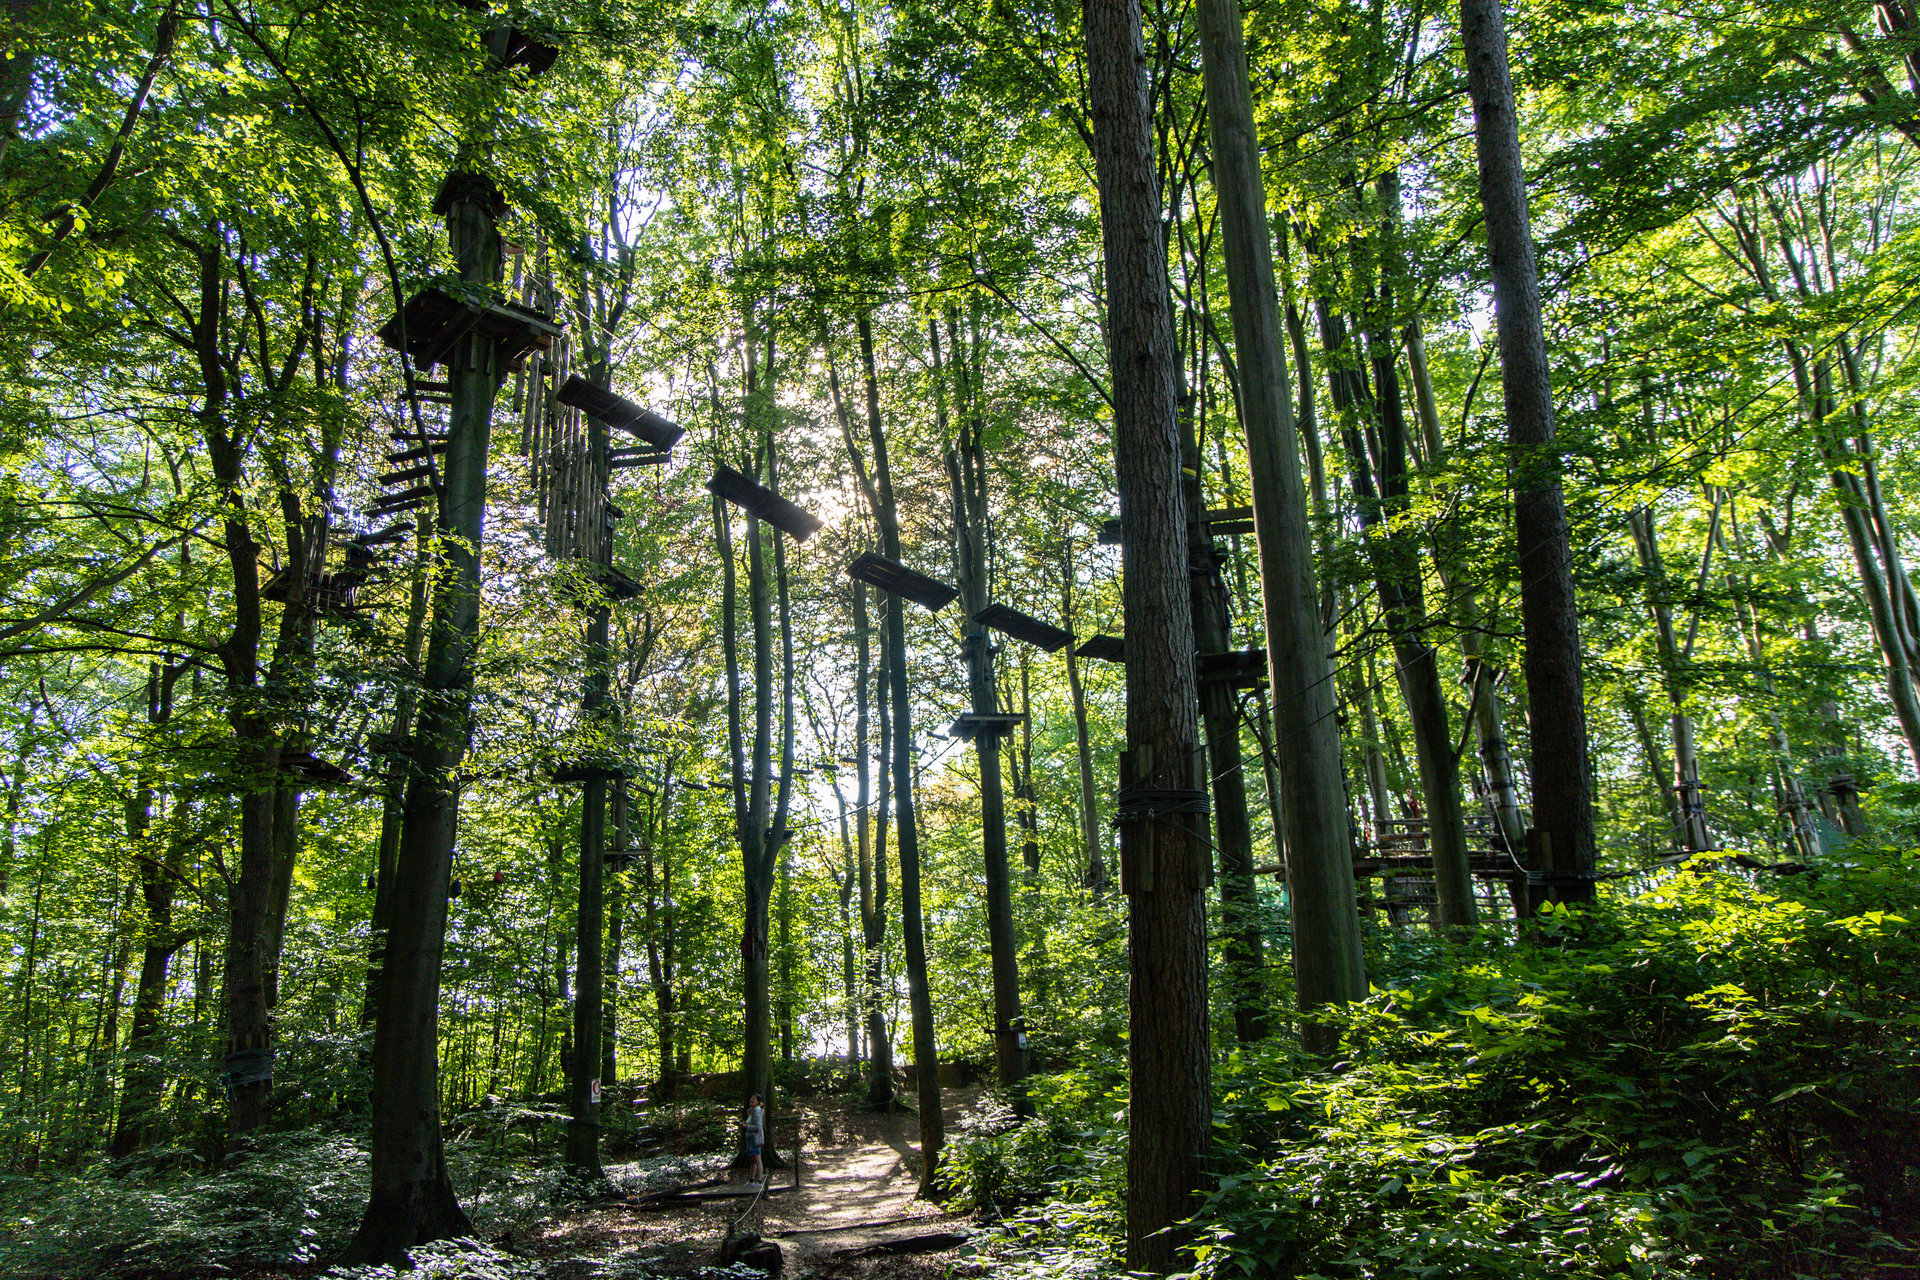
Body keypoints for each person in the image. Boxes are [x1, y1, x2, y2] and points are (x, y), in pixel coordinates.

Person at [741, 1093, 764, 1186]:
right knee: (752, 1160)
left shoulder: (757, 1112)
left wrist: (747, 1126)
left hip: (755, 1139)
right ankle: (751, 1180)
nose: (751, 1100)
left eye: (754, 1099)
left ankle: (759, 1180)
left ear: (758, 1102)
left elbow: (758, 1127)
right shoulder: (752, 1111)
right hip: (750, 1139)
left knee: (757, 1159)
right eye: (751, 1098)